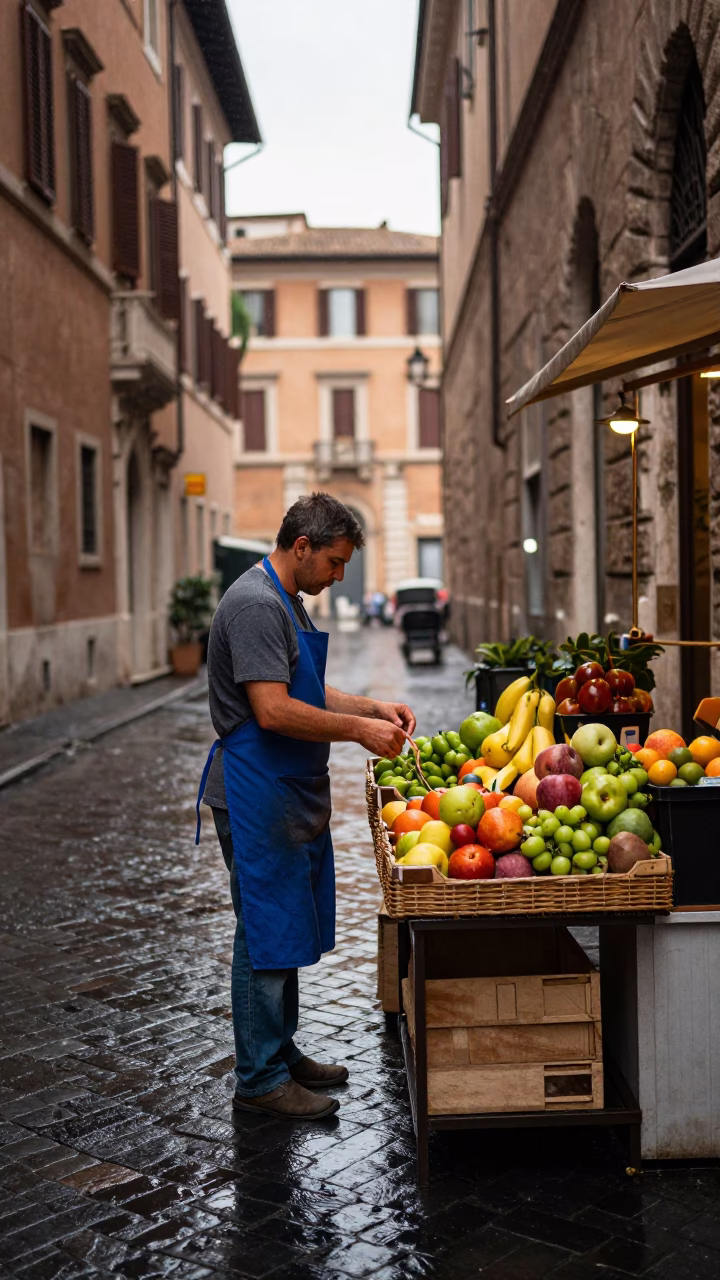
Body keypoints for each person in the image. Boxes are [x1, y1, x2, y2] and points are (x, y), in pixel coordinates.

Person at [196, 493, 415, 1121]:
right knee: (263, 930)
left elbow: (307, 688)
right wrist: (359, 732)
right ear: (301, 547)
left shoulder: (284, 598)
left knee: (284, 924)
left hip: (283, 788)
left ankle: (280, 1050)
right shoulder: (255, 605)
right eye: (335, 562)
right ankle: (259, 1078)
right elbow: (272, 710)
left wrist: (371, 707)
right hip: (254, 791)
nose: (340, 575)